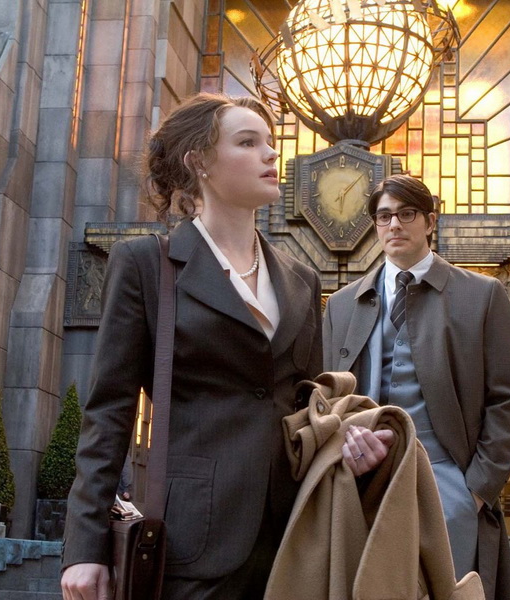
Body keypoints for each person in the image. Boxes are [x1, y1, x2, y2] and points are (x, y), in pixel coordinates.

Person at [61, 93, 345, 600]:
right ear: (200, 163)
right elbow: (109, 410)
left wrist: (350, 442)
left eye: (270, 142)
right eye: (248, 142)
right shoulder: (146, 265)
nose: (271, 154)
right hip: (192, 538)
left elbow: (310, 408)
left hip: (294, 535)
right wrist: (85, 546)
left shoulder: (302, 279)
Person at [322, 174, 510, 600]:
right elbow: (327, 398)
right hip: (362, 480)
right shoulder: (341, 305)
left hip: (451, 483)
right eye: (384, 216)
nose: (394, 224)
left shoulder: (482, 295)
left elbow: (507, 400)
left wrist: (477, 489)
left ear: (431, 221)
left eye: (407, 213)